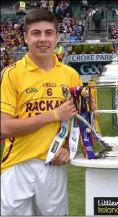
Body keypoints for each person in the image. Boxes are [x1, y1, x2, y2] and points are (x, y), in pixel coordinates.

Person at [1, 9, 82, 215]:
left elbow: (79, 122)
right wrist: (54, 115)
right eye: (36, 33)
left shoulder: (70, 75)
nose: (43, 39)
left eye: (48, 33)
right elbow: (4, 128)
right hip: (17, 165)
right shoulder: (11, 74)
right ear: (26, 37)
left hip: (53, 165)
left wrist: (67, 148)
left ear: (57, 37)